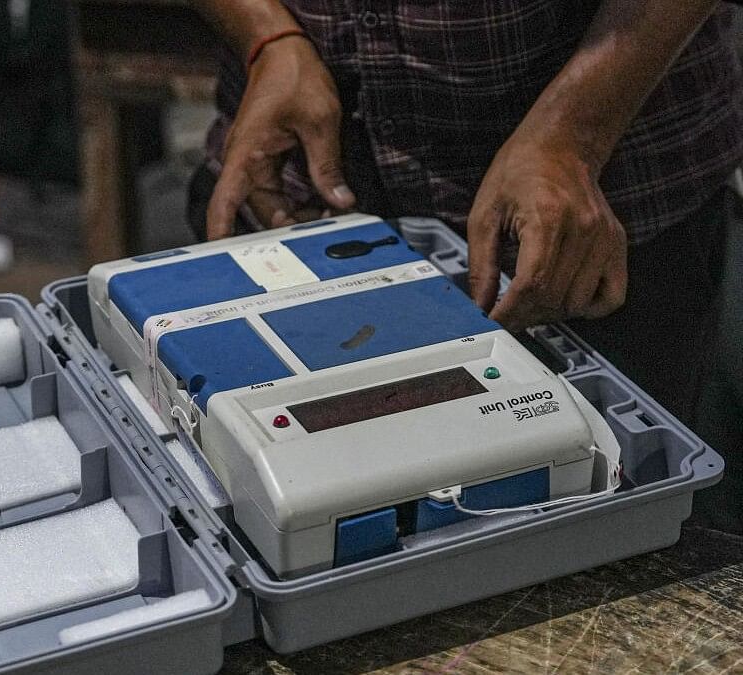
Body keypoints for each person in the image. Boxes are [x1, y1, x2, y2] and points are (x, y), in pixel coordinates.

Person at [188, 0, 743, 531]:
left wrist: (575, 135)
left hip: (590, 207)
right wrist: (266, 36)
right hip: (301, 172)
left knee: (638, 524)